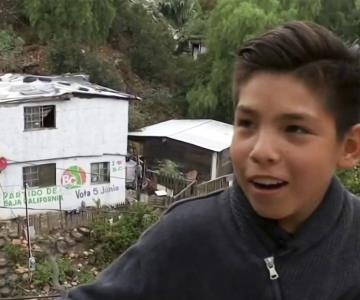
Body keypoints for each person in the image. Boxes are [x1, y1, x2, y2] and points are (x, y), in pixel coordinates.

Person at [63, 21, 360, 300]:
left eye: (295, 129)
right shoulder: (184, 238)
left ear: (349, 147)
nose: (261, 151)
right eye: (247, 123)